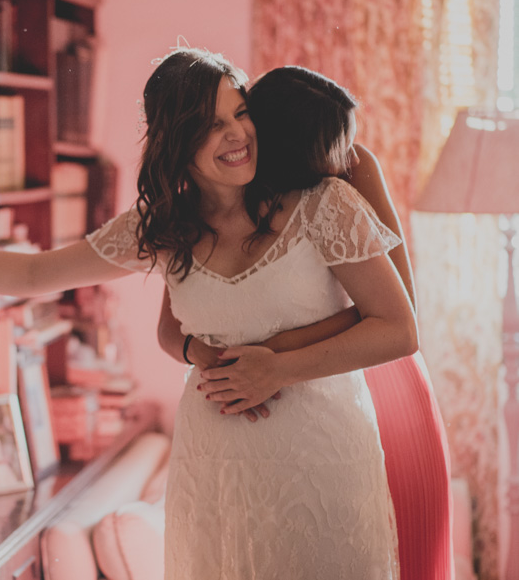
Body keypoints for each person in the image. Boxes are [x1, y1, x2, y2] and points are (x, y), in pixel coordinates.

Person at [0, 46, 416, 578]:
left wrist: (278, 368)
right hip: (215, 468)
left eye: (240, 113)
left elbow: (399, 329)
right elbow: (34, 273)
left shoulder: (322, 203)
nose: (237, 133)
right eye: (212, 124)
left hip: (323, 459)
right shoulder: (163, 230)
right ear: (176, 142)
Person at [157, 65, 453, 580]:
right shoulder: (225, 190)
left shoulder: (353, 171)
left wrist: (280, 348)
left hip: (374, 375)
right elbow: (174, 325)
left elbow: (396, 312)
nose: (340, 157)